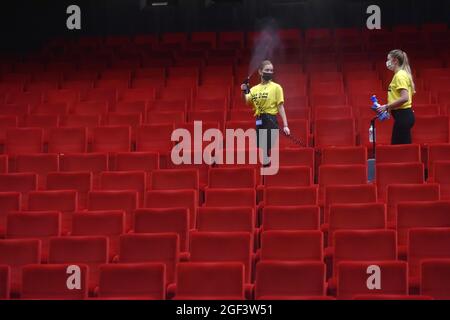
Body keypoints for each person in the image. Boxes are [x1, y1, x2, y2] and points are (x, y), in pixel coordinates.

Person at [241, 60, 290, 165]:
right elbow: (247, 101)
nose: (269, 72)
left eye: (271, 70)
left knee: (267, 145)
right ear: (260, 72)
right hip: (259, 119)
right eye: (267, 70)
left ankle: (268, 164)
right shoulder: (254, 89)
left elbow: (280, 106)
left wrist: (285, 125)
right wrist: (245, 90)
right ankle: (266, 166)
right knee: (261, 147)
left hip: (270, 119)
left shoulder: (276, 87)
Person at [376, 49, 416, 145]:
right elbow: (396, 96)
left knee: (399, 148)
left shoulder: (400, 76)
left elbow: (405, 97)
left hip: (403, 116)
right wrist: (389, 109)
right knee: (402, 147)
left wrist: (386, 106)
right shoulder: (400, 74)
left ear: (395, 61)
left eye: (388, 59)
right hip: (403, 116)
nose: (387, 62)